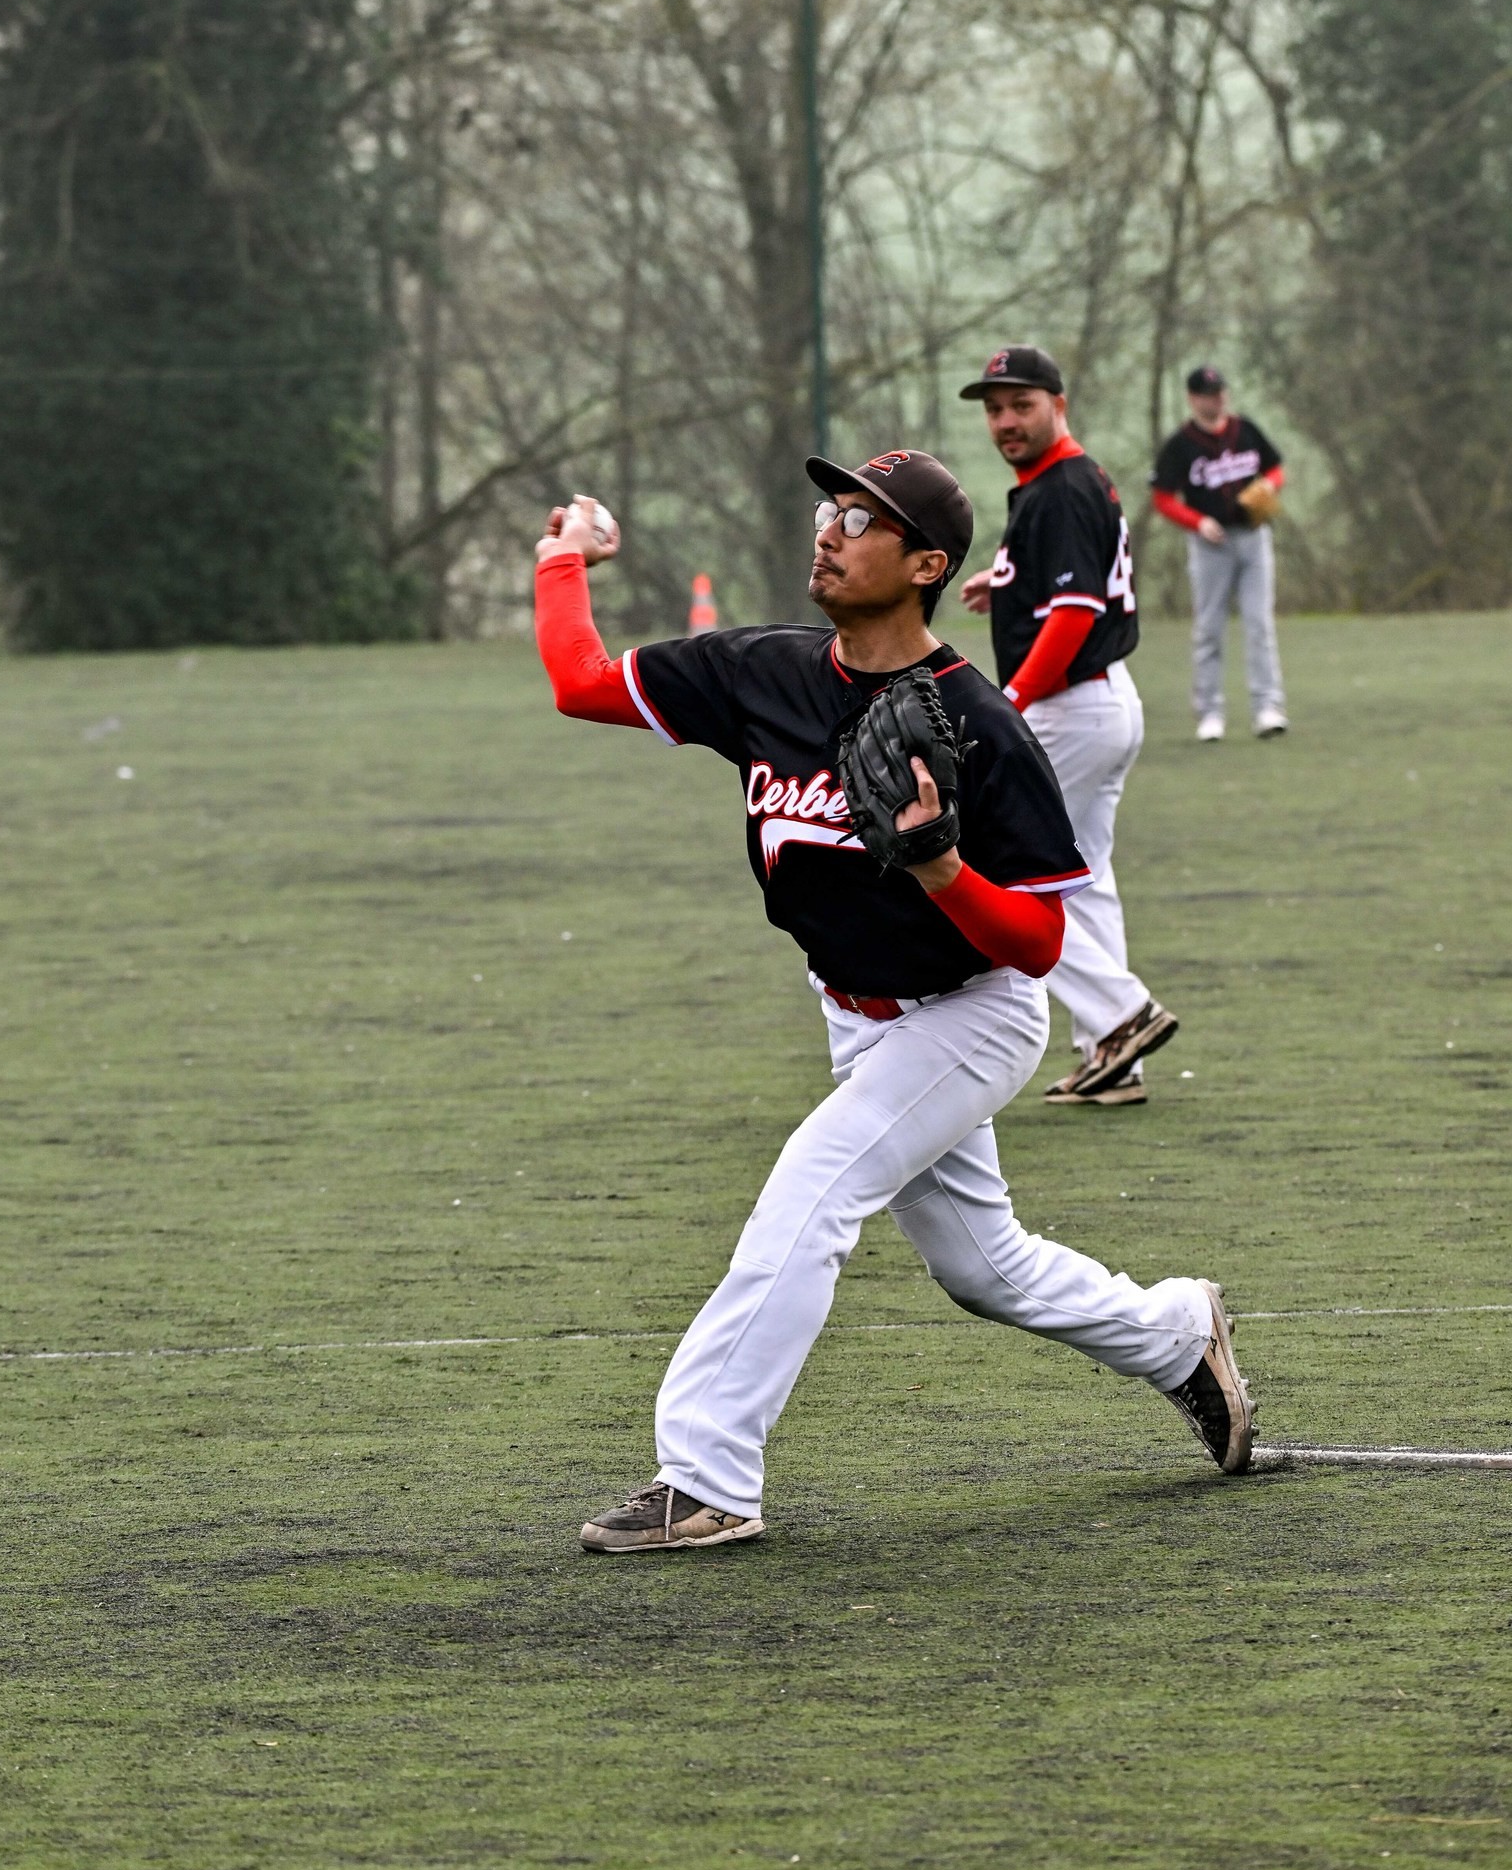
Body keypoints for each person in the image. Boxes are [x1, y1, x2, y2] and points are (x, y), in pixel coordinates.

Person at [532, 447, 1253, 1553]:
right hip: (851, 1009)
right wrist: (562, 562)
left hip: (969, 1014)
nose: (829, 531)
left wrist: (940, 871)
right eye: (829, 510)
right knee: (982, 1268)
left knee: (806, 1200)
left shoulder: (978, 726)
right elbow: (583, 685)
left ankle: (706, 1477)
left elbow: (1044, 940)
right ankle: (1173, 1337)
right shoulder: (758, 670)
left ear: (924, 563)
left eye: (861, 521)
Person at [958, 346, 1177, 1108]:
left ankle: (1122, 1010)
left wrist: (1010, 700)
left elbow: (1077, 612)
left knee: (1000, 873)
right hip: (1100, 701)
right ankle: (1116, 1057)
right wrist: (1009, 584)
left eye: (1021, 404)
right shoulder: (1065, 484)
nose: (1006, 421)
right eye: (994, 409)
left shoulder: (1058, 489)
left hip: (1069, 706)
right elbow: (1068, 587)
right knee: (1083, 882)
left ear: (1059, 402)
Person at [1151, 367, 1288, 742]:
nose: (1218, 398)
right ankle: (1209, 713)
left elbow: (1276, 469)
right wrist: (1197, 522)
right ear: (1193, 398)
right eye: (1209, 393)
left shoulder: (1245, 430)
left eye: (1221, 391)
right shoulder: (1182, 444)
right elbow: (1162, 497)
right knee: (1209, 629)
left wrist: (1267, 485)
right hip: (1211, 545)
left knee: (1260, 624)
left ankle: (1268, 708)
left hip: (1254, 538)